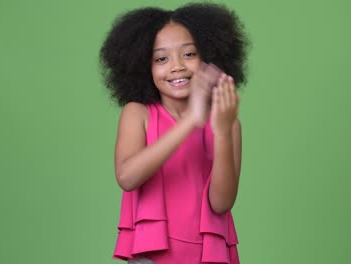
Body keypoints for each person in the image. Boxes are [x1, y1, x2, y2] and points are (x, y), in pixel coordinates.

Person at [99, 2, 249, 263]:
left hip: (209, 256)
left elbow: (222, 203)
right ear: (143, 66)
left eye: (189, 54)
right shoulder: (138, 114)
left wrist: (223, 132)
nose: (177, 66)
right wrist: (191, 120)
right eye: (161, 58)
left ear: (209, 58)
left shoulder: (228, 123)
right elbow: (127, 177)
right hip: (151, 255)